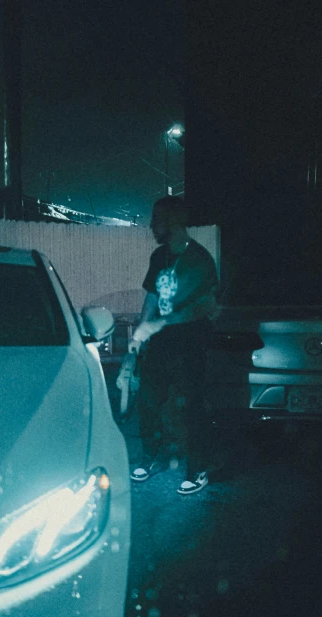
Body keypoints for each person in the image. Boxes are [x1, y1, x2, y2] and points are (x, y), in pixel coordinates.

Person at [129, 196, 219, 495]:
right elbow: (152, 297)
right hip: (160, 342)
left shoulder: (199, 260)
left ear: (174, 222)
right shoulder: (160, 257)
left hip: (189, 341)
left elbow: (202, 307)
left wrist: (157, 325)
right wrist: (140, 333)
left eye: (157, 219)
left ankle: (198, 468)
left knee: (189, 405)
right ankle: (152, 456)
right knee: (148, 401)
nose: (152, 225)